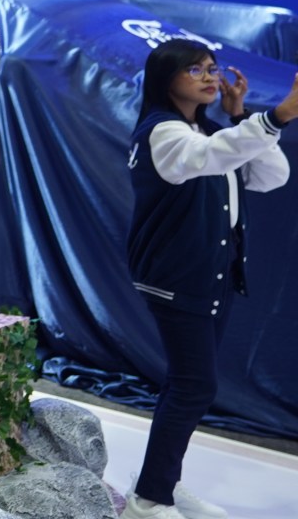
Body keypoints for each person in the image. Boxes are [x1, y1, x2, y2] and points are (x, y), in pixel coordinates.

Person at [122, 39, 298, 519]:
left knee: (186, 384)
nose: (209, 76)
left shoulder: (208, 131)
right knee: (193, 386)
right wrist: (278, 115)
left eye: (212, 68)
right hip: (177, 277)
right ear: (166, 79)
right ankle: (149, 499)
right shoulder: (163, 133)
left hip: (210, 274)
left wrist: (241, 116)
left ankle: (161, 483)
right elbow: (208, 156)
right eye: (195, 69)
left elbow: (271, 175)